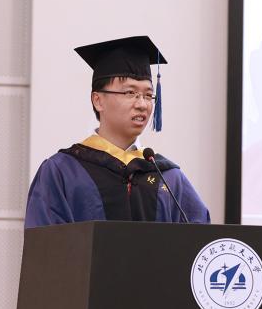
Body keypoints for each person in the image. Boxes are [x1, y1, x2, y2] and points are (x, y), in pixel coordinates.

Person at [24, 36, 210, 229]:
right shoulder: (62, 172)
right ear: (98, 101)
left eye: (148, 95)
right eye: (130, 93)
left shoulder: (169, 178)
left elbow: (200, 241)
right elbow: (45, 243)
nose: (142, 104)